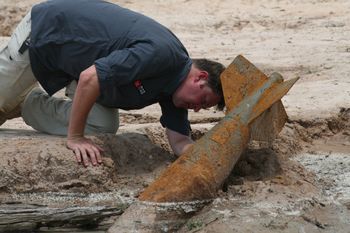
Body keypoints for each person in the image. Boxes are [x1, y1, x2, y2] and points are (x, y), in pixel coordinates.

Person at [0, 0, 225, 167]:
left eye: (202, 109)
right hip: (48, 34)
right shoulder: (162, 55)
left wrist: (206, 157)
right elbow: (91, 77)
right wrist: (75, 138)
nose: (196, 109)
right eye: (203, 101)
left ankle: (25, 103)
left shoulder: (177, 90)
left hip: (78, 64)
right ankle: (11, 100)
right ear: (200, 77)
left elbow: (179, 141)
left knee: (102, 124)